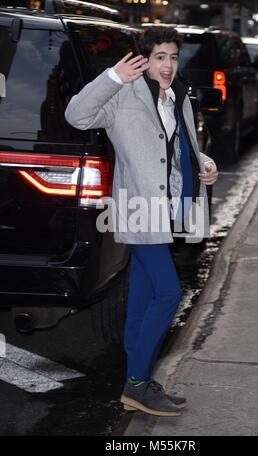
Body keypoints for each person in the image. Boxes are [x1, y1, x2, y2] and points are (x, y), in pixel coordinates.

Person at [65, 27, 218, 417]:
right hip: (140, 210)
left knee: (142, 297)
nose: (167, 66)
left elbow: (183, 146)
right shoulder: (124, 94)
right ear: (144, 60)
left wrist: (204, 164)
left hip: (169, 211)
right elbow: (76, 115)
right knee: (168, 294)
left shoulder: (178, 96)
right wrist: (114, 77)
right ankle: (136, 383)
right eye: (159, 57)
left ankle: (138, 377)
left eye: (172, 57)